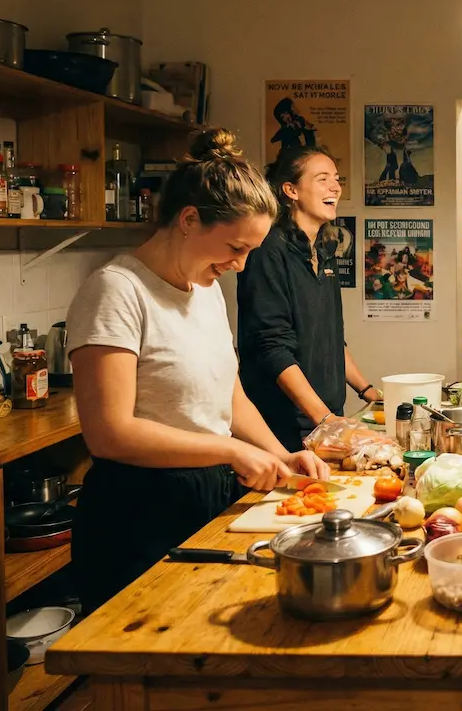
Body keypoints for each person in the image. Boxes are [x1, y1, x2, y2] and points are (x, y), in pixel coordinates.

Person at [66, 129, 330, 615]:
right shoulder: (116, 291)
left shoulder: (205, 289)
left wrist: (282, 455)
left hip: (209, 495)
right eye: (235, 247)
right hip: (139, 510)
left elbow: (228, 397)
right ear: (189, 220)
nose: (240, 264)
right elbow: (109, 433)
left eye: (249, 252)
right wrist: (232, 450)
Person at [237, 145, 381, 453]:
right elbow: (272, 347)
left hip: (325, 421)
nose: (335, 187)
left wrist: (369, 392)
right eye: (322, 179)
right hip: (284, 426)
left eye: (337, 178)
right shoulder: (268, 250)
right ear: (291, 190)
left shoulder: (325, 251)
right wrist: (326, 420)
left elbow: (332, 338)